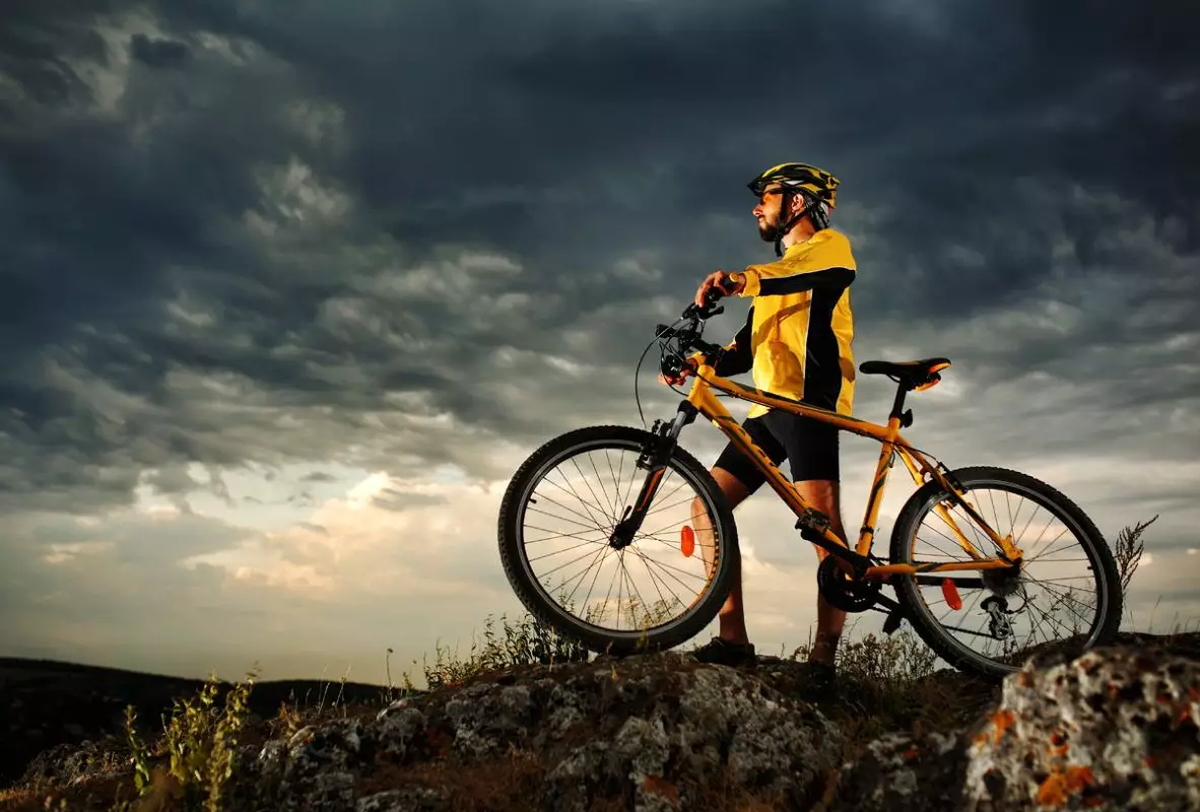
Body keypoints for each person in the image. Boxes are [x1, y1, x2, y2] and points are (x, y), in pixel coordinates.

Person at [660, 162, 857, 694]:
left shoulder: (831, 249)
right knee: (707, 506)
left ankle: (823, 661)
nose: (756, 207)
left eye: (765, 197)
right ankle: (734, 640)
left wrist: (738, 278)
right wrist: (699, 362)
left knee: (824, 531)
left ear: (796, 203)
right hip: (766, 409)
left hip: (810, 403)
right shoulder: (781, 272)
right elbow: (744, 350)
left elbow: (789, 276)